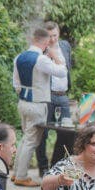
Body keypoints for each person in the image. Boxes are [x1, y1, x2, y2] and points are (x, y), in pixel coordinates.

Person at [12, 27, 67, 187]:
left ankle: (16, 173)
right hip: (37, 104)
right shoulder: (41, 59)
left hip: (23, 102)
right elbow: (62, 72)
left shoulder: (19, 57)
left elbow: (16, 83)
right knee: (31, 140)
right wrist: (56, 57)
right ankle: (22, 176)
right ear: (45, 42)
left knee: (25, 138)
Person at [35, 21, 72, 174]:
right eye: (49, 36)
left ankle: (57, 165)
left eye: (55, 35)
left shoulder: (65, 46)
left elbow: (68, 67)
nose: (52, 39)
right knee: (42, 134)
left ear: (59, 33)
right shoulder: (40, 51)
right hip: (46, 95)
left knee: (68, 133)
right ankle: (43, 168)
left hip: (63, 96)